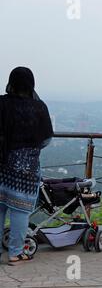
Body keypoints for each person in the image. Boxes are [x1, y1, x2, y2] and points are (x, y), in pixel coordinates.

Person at [0, 67, 53, 265]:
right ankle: (15, 253)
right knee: (20, 210)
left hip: (1, 164)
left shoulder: (1, 103)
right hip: (26, 169)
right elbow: (46, 139)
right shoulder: (39, 107)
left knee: (0, 208)